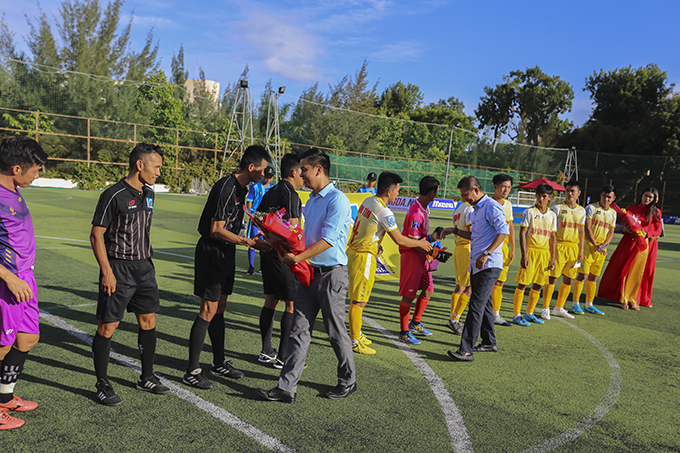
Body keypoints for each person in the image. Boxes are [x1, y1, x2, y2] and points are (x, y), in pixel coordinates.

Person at [255, 147, 356, 403]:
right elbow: (301, 237)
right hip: (308, 273)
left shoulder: (337, 200)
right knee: (298, 331)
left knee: (335, 332)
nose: (300, 173)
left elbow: (330, 240)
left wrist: (298, 257)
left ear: (318, 169)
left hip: (331, 275)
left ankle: (348, 380)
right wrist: (279, 242)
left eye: (304, 169)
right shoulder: (310, 200)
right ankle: (286, 388)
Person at [183, 145, 271, 389]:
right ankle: (191, 370)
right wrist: (247, 241)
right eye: (262, 170)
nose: (264, 175)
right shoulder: (227, 187)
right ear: (251, 167)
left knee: (220, 307)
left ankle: (219, 362)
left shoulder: (243, 189)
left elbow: (232, 225)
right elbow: (216, 229)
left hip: (226, 251)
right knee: (208, 310)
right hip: (212, 252)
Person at [90, 142, 168, 406]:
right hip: (119, 270)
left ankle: (146, 377)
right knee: (108, 326)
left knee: (148, 322)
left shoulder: (150, 193)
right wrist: (107, 272)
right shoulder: (113, 195)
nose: (159, 172)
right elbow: (96, 235)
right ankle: (102, 383)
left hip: (144, 268)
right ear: (140, 164)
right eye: (156, 166)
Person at [347, 172, 432, 355]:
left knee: (358, 299)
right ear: (389, 190)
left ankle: (358, 334)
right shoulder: (384, 211)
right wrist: (421, 243)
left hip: (356, 252)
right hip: (364, 257)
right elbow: (400, 240)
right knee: (359, 301)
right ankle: (354, 341)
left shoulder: (369, 201)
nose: (397, 194)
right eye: (397, 191)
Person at [0, 136, 47, 430]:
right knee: (1, 346)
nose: (38, 175)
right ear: (17, 168)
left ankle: (5, 397)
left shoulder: (13, 188)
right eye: (36, 169)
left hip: (25, 276)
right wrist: (7, 277)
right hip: (7, 280)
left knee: (28, 337)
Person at [447, 176, 509, 362]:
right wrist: (455, 231)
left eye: (466, 194)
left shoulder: (491, 206)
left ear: (476, 190)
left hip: (488, 265)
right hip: (478, 265)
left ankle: (466, 350)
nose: (465, 198)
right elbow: (475, 235)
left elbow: (503, 231)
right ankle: (489, 341)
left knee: (476, 305)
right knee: (485, 304)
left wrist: (487, 253)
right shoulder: (475, 209)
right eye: (462, 195)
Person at [255, 154, 304, 369]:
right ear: (293, 172)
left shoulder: (270, 192)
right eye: (302, 171)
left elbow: (258, 219)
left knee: (270, 300)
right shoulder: (290, 193)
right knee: (291, 303)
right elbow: (294, 229)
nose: (304, 175)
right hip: (283, 255)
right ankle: (284, 357)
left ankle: (266, 351)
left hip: (266, 252)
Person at [598, 187, 663, 310]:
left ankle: (634, 299)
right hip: (628, 242)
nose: (647, 199)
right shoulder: (631, 209)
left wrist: (646, 234)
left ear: (654, 199)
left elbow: (658, 230)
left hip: (643, 246)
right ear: (641, 195)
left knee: (637, 272)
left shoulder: (656, 212)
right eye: (646, 196)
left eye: (650, 197)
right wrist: (624, 230)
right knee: (624, 269)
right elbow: (622, 224)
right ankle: (623, 298)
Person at [398, 176, 439, 345]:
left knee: (428, 289)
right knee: (409, 295)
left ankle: (415, 323)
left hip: (421, 255)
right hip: (412, 256)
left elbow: (420, 239)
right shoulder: (416, 213)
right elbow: (413, 243)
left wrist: (433, 237)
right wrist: (434, 251)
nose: (436, 195)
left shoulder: (422, 208)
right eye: (436, 192)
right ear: (432, 193)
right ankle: (404, 331)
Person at [512, 183, 557, 326]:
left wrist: (553, 257)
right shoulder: (529, 212)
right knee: (523, 284)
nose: (541, 199)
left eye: (544, 196)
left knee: (539, 284)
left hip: (544, 254)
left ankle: (529, 313)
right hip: (531, 251)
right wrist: (524, 254)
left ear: (549, 198)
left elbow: (553, 237)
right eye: (539, 195)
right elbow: (523, 233)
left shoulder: (552, 215)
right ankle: (516, 315)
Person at [568, 185, 617, 315]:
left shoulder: (613, 213)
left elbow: (611, 232)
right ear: (600, 195)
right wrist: (595, 244)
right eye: (604, 196)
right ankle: (575, 304)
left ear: (613, 199)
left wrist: (605, 244)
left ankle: (589, 304)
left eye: (609, 197)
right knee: (582, 275)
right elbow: (587, 229)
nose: (606, 199)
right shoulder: (591, 208)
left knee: (594, 277)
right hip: (588, 247)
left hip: (601, 250)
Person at [542, 180, 586, 319]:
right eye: (567, 190)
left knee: (569, 279)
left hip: (574, 248)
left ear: (578, 193)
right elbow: (552, 231)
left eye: (572, 191)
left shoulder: (581, 210)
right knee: (552, 278)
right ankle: (545, 308)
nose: (569, 193)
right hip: (559, 246)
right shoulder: (557, 208)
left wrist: (581, 251)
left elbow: (582, 231)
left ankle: (559, 307)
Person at [443, 200, 473, 336]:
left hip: (460, 248)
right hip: (467, 248)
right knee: (466, 288)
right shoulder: (469, 209)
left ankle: (454, 318)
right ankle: (454, 319)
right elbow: (473, 233)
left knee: (461, 286)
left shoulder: (459, 207)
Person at [490, 174, 516, 327]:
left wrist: (512, 248)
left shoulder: (508, 205)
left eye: (509, 187)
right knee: (486, 283)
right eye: (503, 186)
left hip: (504, 249)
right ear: (495, 187)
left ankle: (495, 314)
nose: (506, 190)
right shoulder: (487, 203)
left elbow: (510, 227)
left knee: (500, 282)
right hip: (490, 248)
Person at [246, 166, 275, 275]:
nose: (268, 179)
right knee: (254, 241)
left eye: (270, 177)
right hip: (256, 218)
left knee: (266, 243)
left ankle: (263, 266)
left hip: (267, 220)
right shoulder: (255, 186)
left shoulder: (272, 188)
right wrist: (251, 214)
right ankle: (251, 266)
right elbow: (249, 201)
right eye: (267, 177)